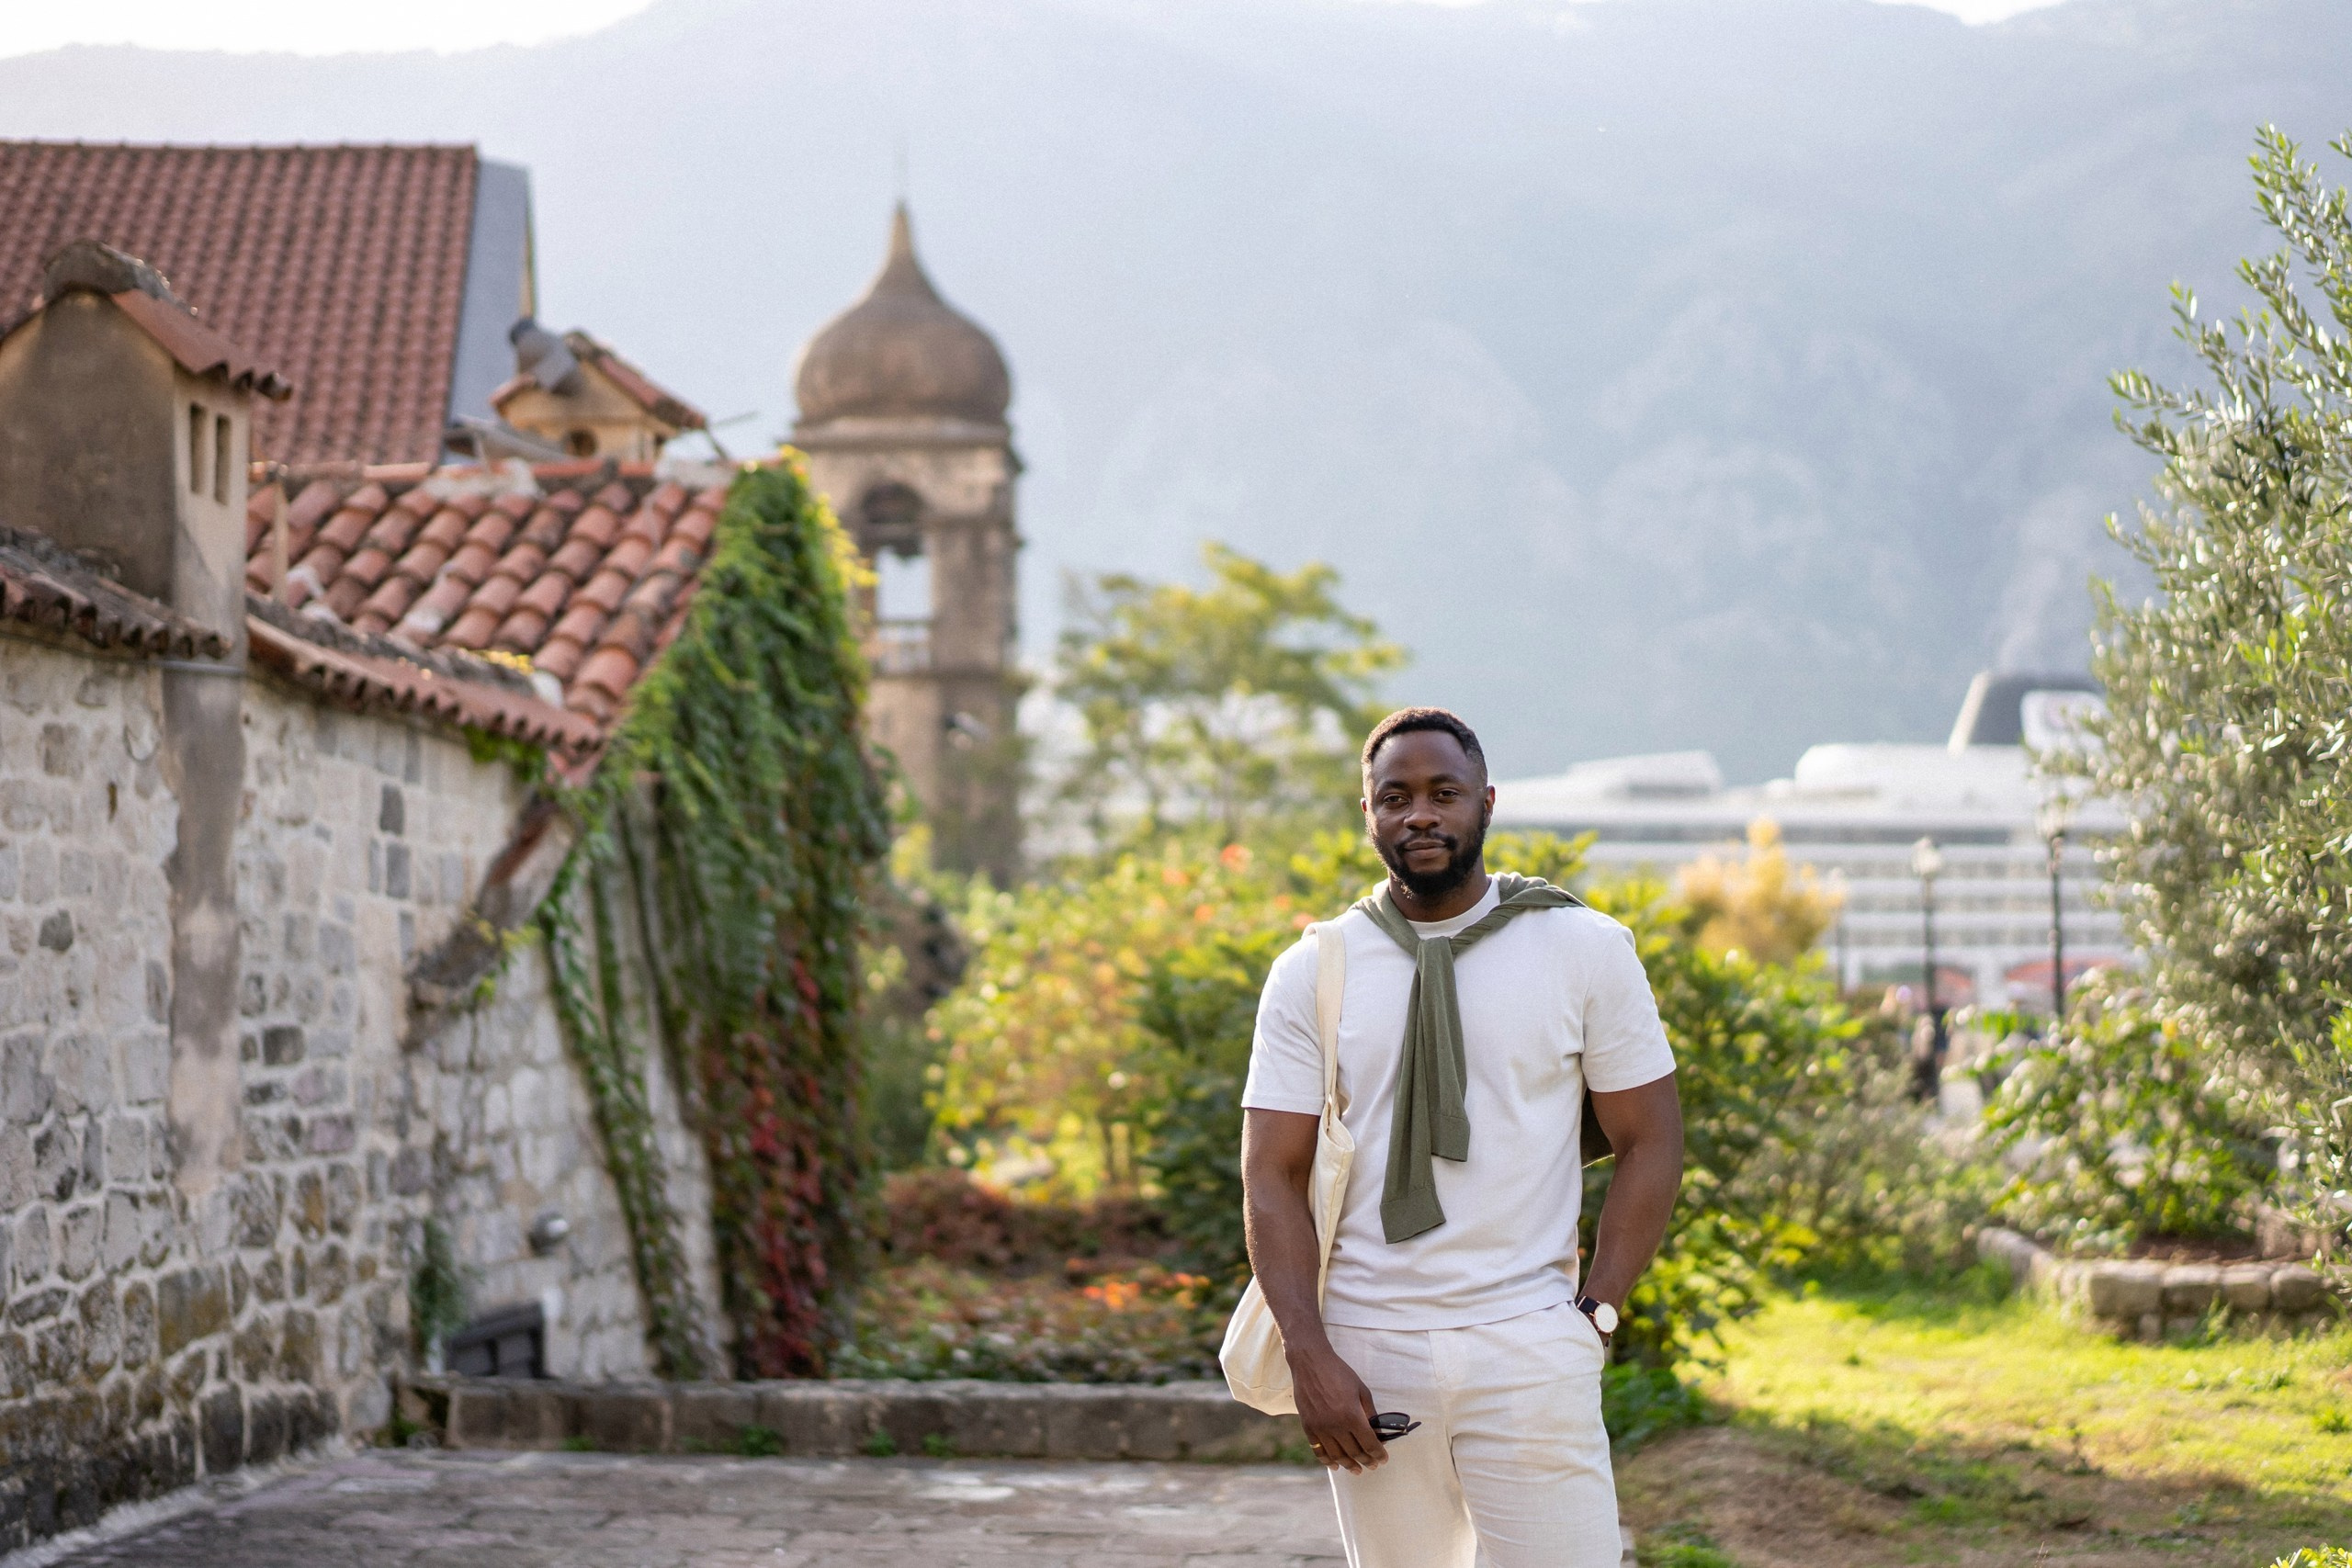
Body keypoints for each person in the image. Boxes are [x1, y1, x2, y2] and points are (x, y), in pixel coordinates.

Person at [1239, 707, 1684, 1568]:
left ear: (1485, 801)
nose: (1420, 814)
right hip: (1372, 1353)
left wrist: (1595, 1313)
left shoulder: (1583, 948)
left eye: (1443, 793)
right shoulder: (1315, 968)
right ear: (1367, 813)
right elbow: (1272, 1171)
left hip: (1530, 1341)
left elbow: (1651, 1138)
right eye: (1394, 796)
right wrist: (1310, 1354)